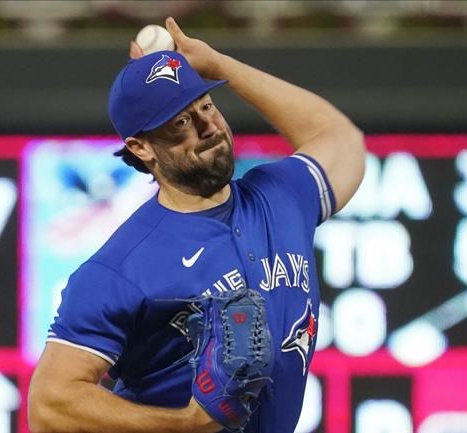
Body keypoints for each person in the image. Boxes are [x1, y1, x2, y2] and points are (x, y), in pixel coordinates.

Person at [28, 16, 365, 433]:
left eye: (207, 106)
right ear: (141, 146)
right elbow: (49, 406)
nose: (208, 127)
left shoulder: (281, 196)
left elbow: (339, 137)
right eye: (181, 123)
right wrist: (186, 425)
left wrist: (221, 67)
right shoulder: (121, 268)